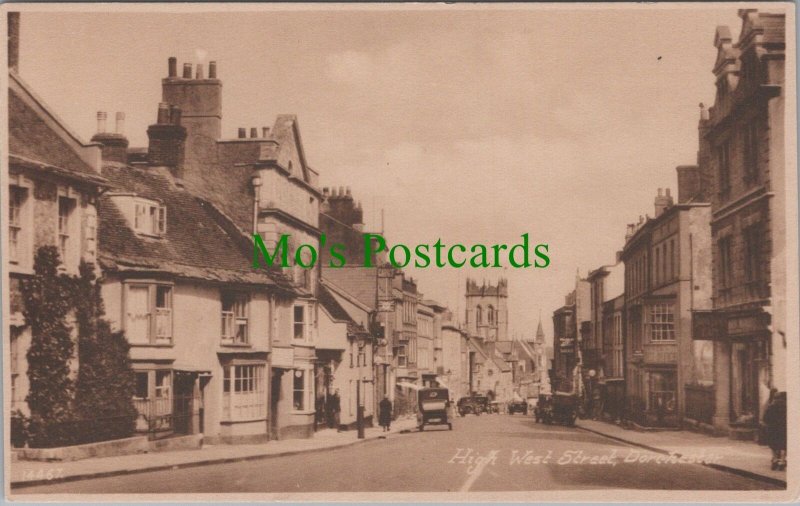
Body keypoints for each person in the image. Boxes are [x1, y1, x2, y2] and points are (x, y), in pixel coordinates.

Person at [763, 390, 787, 471]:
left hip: (773, 429)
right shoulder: (789, 406)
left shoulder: (771, 406)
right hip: (784, 429)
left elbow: (765, 418)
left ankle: (775, 460)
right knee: (784, 445)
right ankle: (782, 461)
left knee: (774, 445)